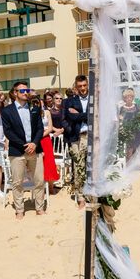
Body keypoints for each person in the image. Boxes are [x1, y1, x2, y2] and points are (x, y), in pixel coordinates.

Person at [1, 81, 46, 219]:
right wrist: (25, 145)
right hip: (17, 151)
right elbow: (8, 132)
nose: (26, 93)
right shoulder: (7, 111)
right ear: (15, 93)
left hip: (35, 149)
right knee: (17, 182)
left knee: (39, 180)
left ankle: (39, 207)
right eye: (22, 91)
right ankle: (19, 210)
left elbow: (40, 128)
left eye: (27, 90)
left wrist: (34, 143)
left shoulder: (35, 107)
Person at [63, 75, 89, 208]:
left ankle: (92, 193)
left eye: (84, 85)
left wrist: (77, 115)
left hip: (90, 136)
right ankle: (80, 196)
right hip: (76, 137)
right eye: (80, 86)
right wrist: (85, 116)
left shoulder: (94, 99)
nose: (83, 88)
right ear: (76, 87)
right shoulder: (68, 102)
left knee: (91, 166)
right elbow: (67, 118)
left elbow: (96, 115)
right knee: (78, 167)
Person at [31, 95, 60, 194]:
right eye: (33, 103)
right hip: (35, 140)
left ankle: (51, 186)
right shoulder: (31, 113)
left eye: (37, 102)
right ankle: (40, 187)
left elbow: (50, 127)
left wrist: (41, 135)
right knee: (38, 163)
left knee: (49, 162)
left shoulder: (47, 112)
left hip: (45, 139)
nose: (36, 105)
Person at [118, 88, 140, 164]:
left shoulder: (137, 107)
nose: (129, 98)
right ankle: (128, 167)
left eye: (130, 97)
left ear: (132, 97)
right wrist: (122, 129)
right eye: (126, 97)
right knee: (129, 151)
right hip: (128, 133)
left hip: (138, 131)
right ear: (124, 98)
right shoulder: (122, 108)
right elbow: (120, 120)